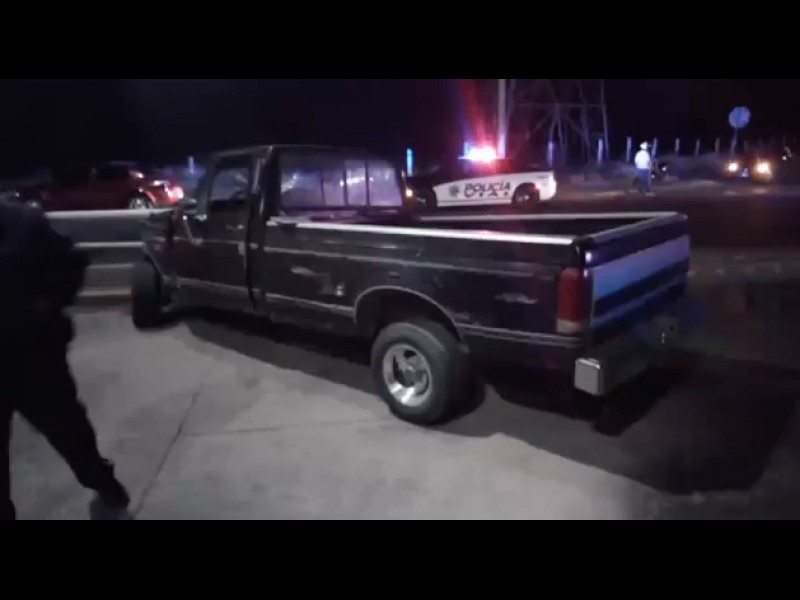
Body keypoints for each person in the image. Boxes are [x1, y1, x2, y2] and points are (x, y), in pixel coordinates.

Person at [0, 199, 131, 521]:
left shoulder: (24, 224)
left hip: (34, 359)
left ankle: (101, 481)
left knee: (69, 433)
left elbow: (71, 265)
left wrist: (44, 304)